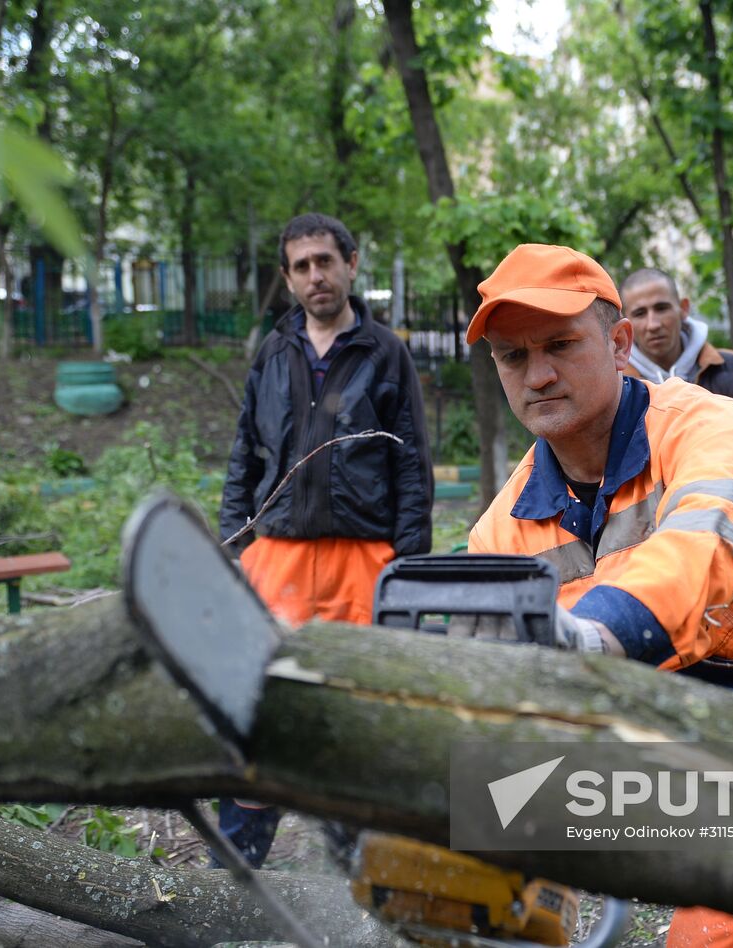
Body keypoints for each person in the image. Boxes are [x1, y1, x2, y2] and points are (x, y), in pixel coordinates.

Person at [464, 244, 733, 948]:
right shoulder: (506, 521)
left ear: (619, 342)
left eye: (561, 345)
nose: (538, 373)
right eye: (513, 358)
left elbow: (708, 541)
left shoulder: (709, 427)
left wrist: (598, 630)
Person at [217, 212, 434, 867]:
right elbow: (244, 457)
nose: (316, 275)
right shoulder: (273, 352)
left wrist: (409, 568)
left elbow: (411, 466)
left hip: (362, 561)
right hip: (277, 557)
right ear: (287, 277)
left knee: (356, 707)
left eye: (325, 261)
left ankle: (358, 858)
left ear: (351, 264)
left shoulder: (386, 352)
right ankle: (237, 857)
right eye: (302, 265)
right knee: (261, 702)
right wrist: (234, 544)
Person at [619, 267, 733, 415]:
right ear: (623, 321)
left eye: (662, 308)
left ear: (683, 308)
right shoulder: (616, 384)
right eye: (640, 314)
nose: (653, 324)